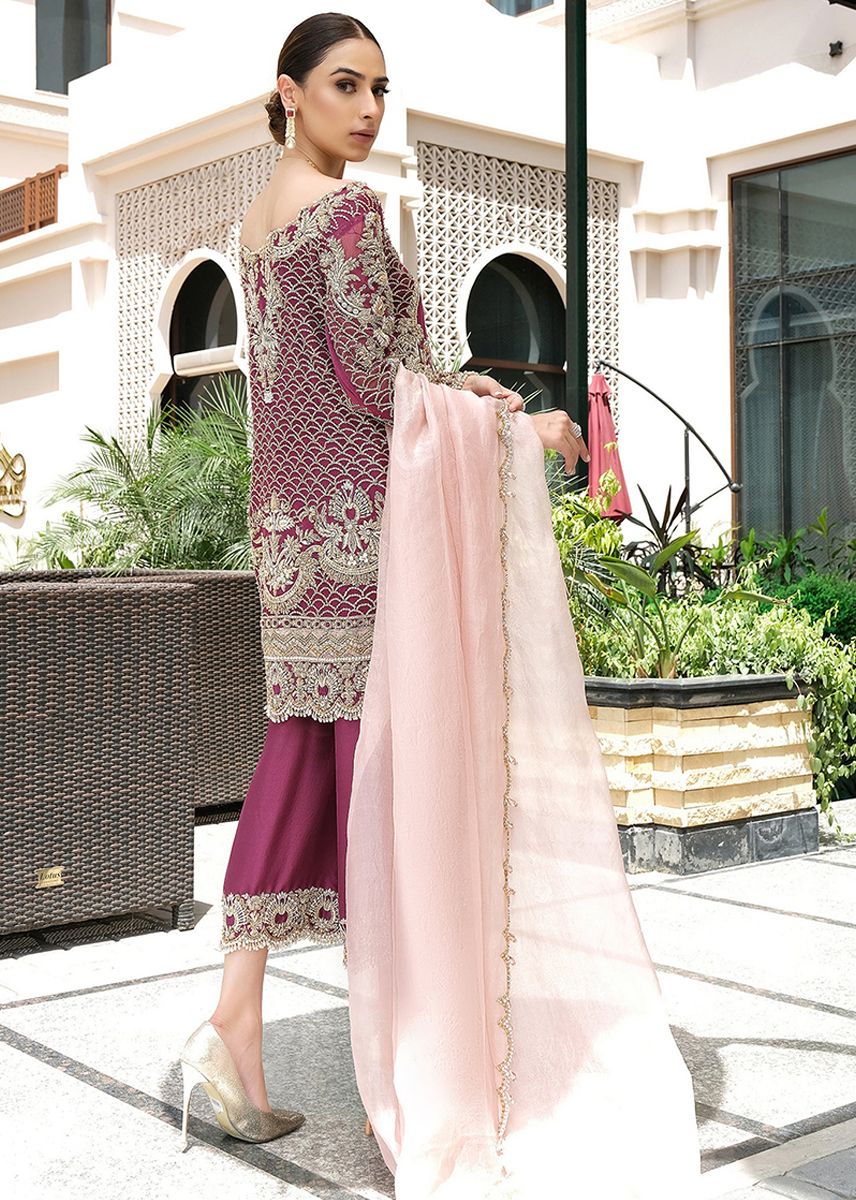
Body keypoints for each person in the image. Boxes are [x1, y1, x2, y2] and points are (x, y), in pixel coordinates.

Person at [177, 11, 588, 1154]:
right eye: (344, 85)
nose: (366, 110)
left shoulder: (260, 221)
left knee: (302, 765)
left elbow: (361, 378)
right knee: (392, 794)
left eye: (379, 90)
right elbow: (381, 392)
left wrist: (461, 391)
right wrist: (520, 428)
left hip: (291, 538)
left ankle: (235, 1022)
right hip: (363, 541)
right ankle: (410, 1065)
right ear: (289, 91)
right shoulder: (347, 215)